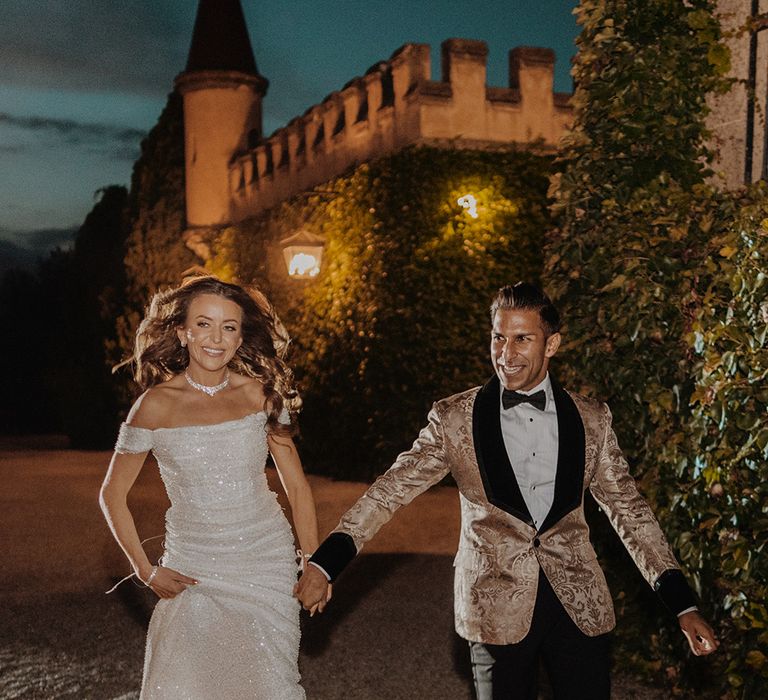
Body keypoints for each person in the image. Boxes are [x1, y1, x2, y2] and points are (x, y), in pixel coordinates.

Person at [295, 282, 719, 699]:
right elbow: (389, 492)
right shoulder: (454, 419)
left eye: (522, 339)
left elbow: (630, 511)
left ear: (551, 344)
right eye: (498, 337)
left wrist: (682, 604)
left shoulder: (592, 419)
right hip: (494, 604)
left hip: (579, 604)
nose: (506, 354)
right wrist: (326, 563)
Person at [100, 276, 329, 699]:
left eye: (229, 327)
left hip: (266, 561)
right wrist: (145, 570)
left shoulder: (262, 395)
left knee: (266, 683)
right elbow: (112, 495)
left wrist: (314, 562)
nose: (215, 338)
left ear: (241, 338)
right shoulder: (153, 405)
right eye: (203, 324)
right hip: (194, 566)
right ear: (183, 333)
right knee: (185, 685)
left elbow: (296, 487)